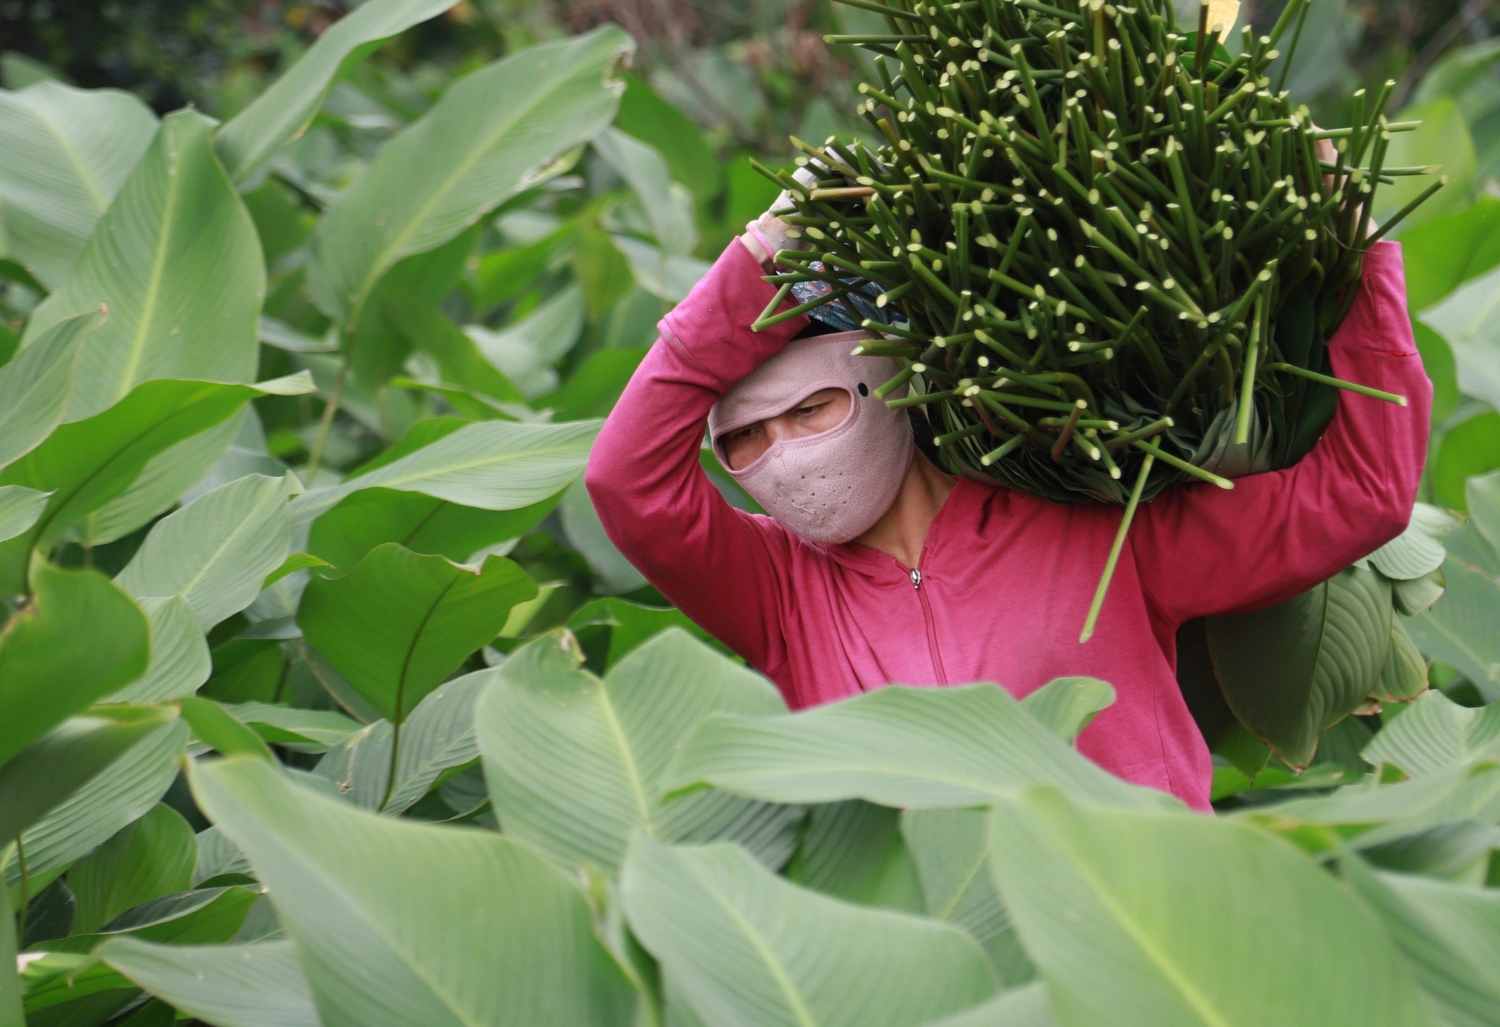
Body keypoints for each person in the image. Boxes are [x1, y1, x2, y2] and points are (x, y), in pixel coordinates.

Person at [585, 174, 1431, 812]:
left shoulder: (1093, 529)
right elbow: (624, 482)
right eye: (742, 442)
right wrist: (756, 265)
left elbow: (1362, 493)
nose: (783, 457)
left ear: (887, 384)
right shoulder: (777, 594)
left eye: (812, 410)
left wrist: (1356, 253)